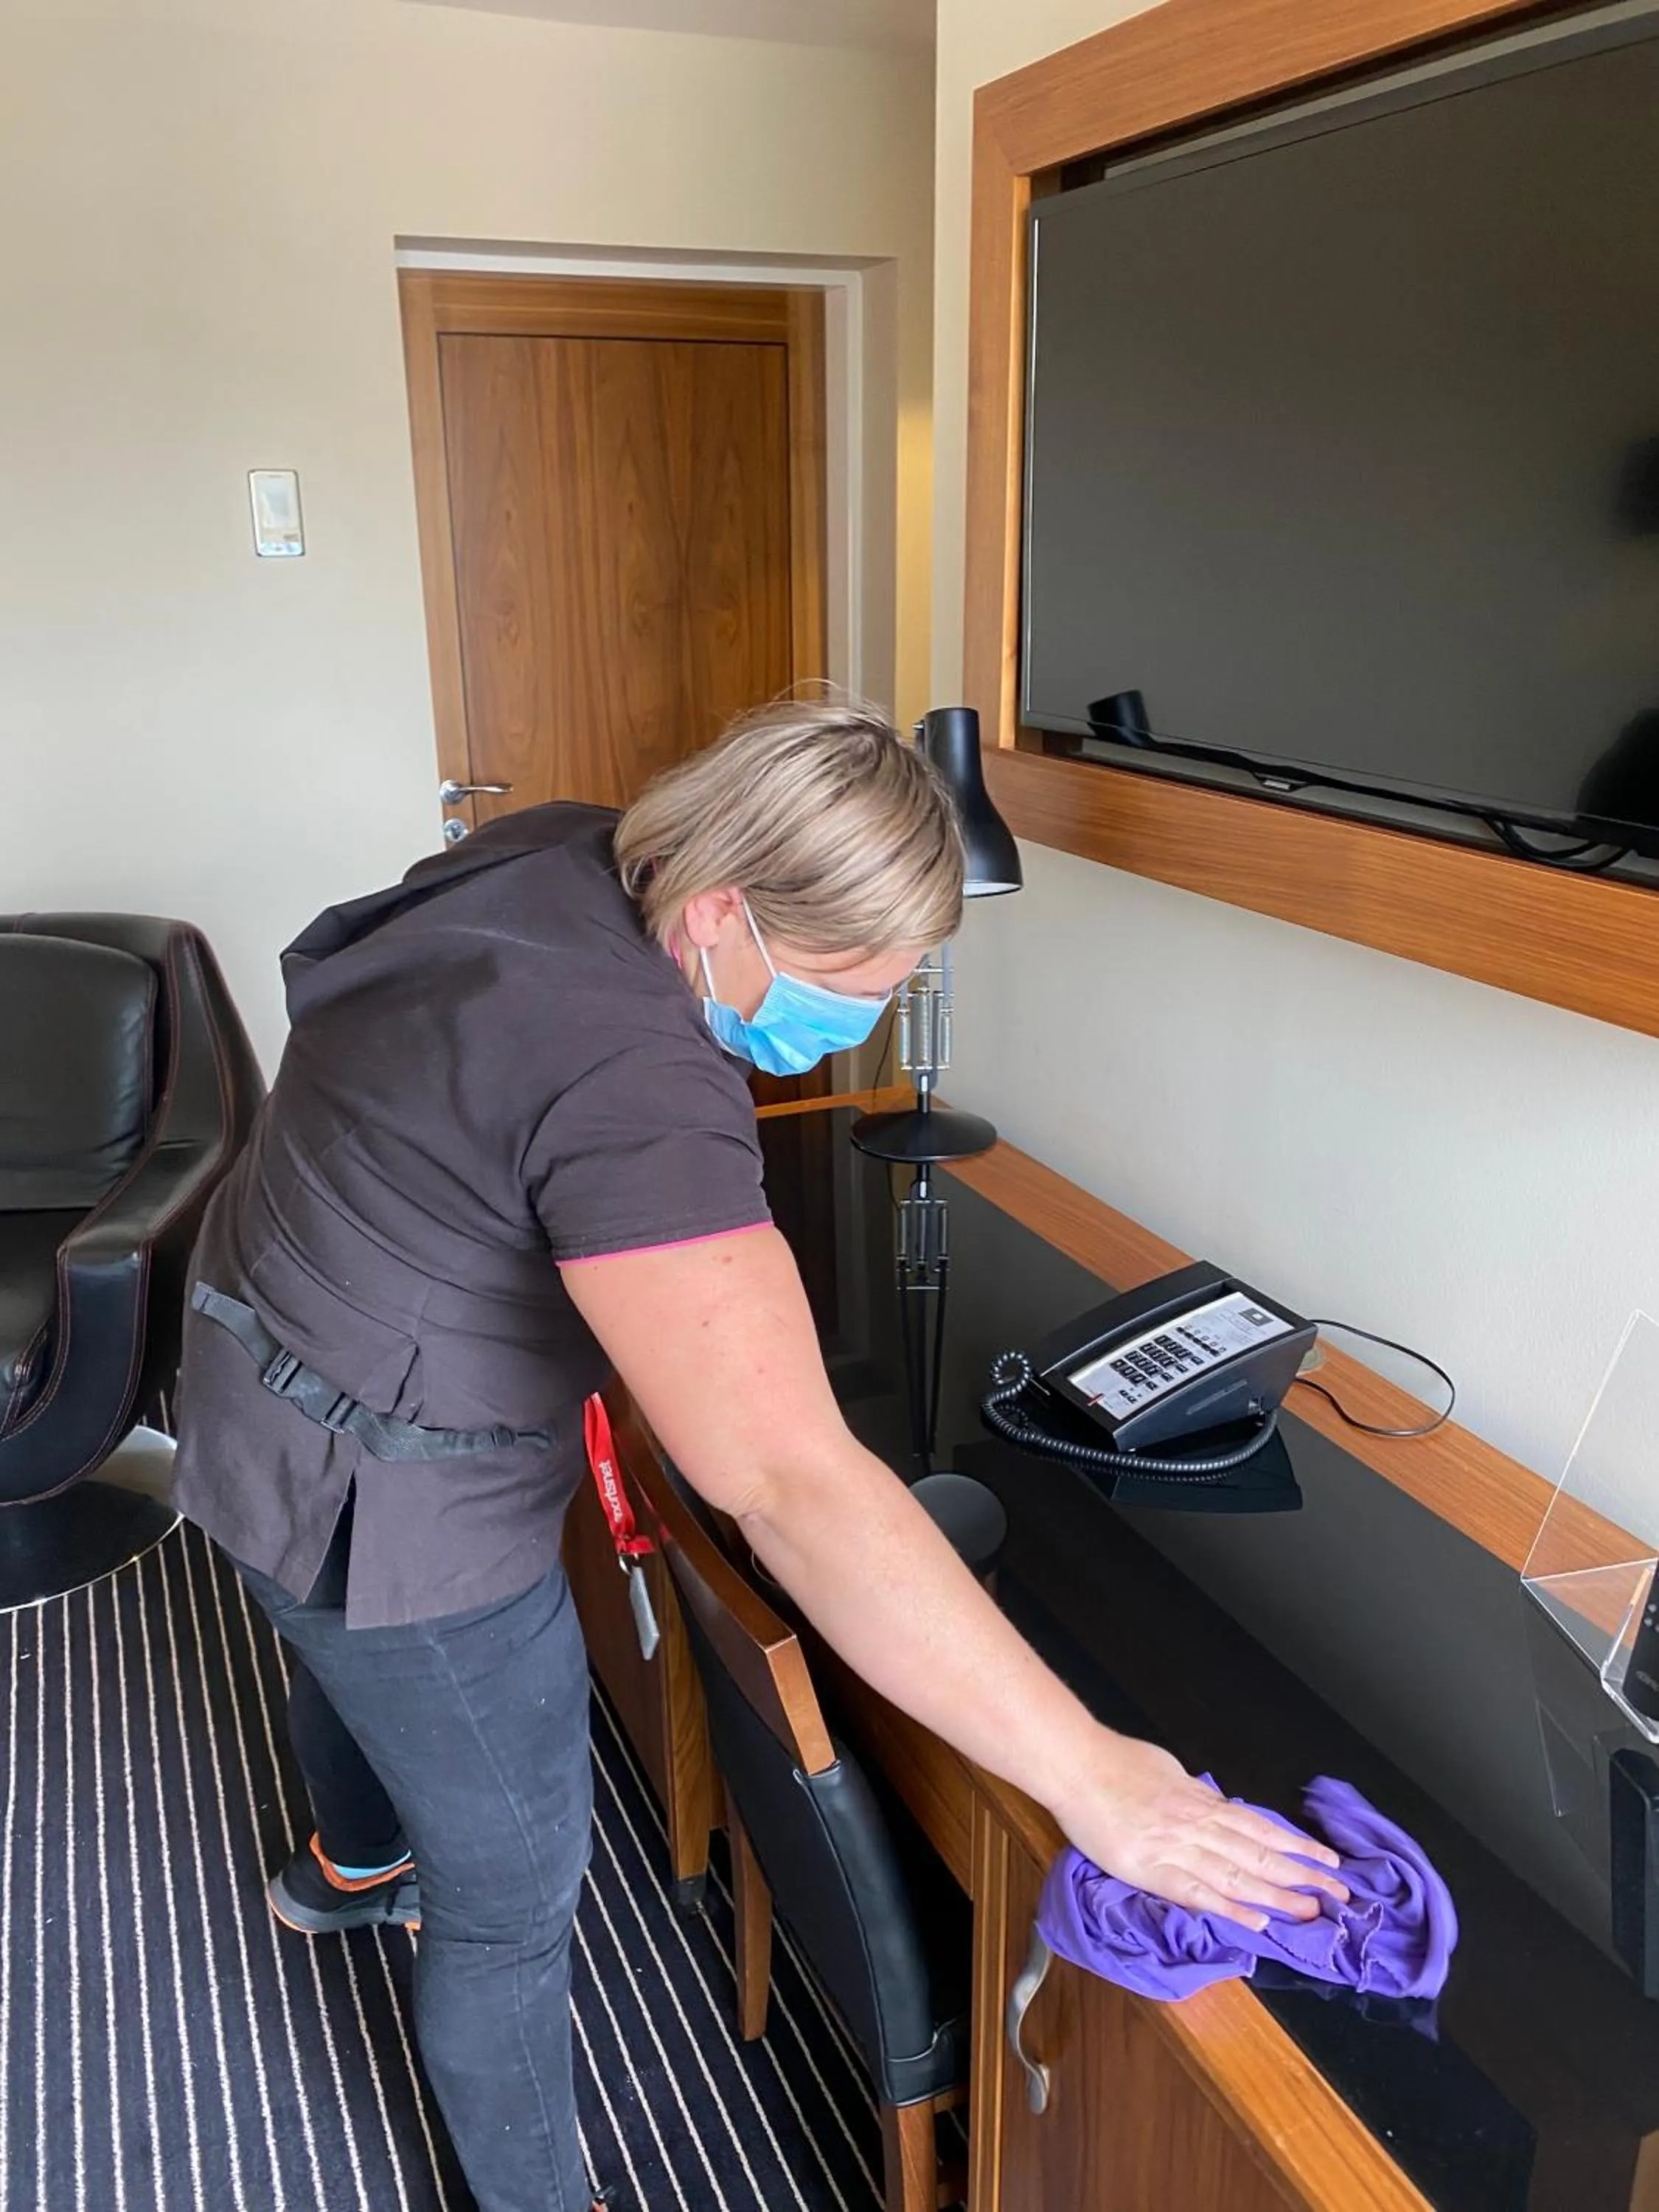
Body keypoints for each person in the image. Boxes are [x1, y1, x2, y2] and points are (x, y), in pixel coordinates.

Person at [173, 697, 1344, 2212]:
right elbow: (791, 1478)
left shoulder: (562, 853)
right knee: (516, 1890)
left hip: (254, 1344)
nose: (872, 1008)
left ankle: (345, 1866)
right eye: (856, 978)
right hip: (389, 1489)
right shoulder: (635, 1083)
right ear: (722, 910)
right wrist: (1095, 1774)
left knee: (331, 1635)